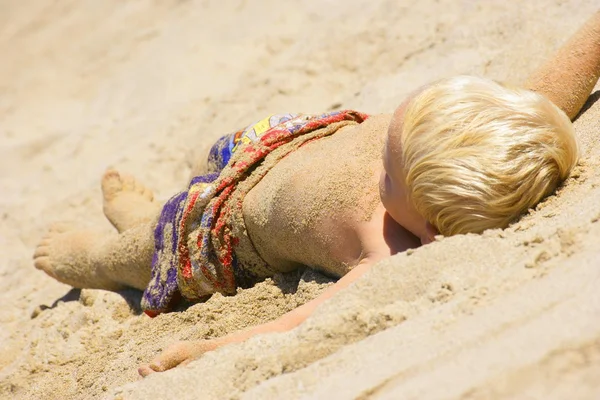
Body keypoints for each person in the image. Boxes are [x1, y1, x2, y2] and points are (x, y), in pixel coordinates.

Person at [33, 11, 600, 377]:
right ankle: (150, 211)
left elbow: (299, 322)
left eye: (389, 173)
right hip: (280, 140)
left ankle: (106, 251)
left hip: (219, 232)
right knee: (207, 156)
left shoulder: (392, 255)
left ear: (432, 231)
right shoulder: (487, 132)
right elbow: (552, 93)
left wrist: (206, 351)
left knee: (144, 250)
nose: (381, 163)